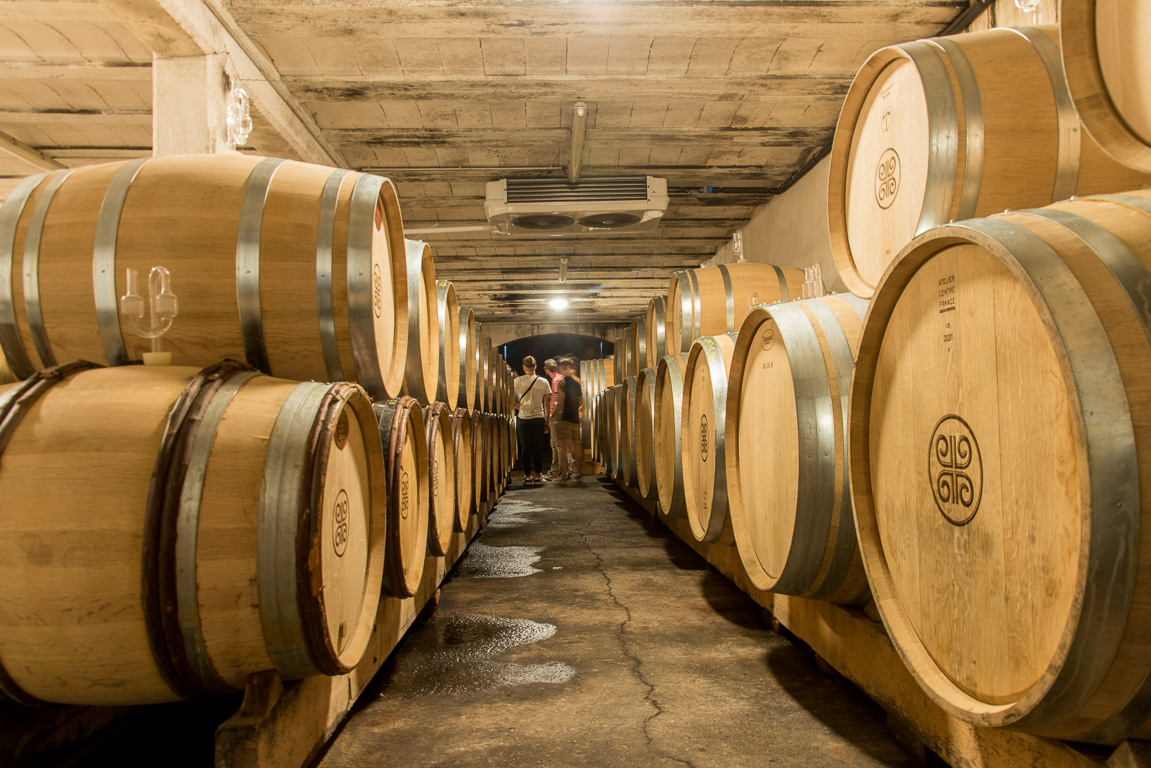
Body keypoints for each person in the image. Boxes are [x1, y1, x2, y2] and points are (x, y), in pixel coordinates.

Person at [513, 355, 550, 485]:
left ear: (524, 368)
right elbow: (547, 402)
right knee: (538, 448)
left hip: (523, 418)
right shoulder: (544, 381)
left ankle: (527, 475)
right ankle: (538, 474)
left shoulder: (517, 381)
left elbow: (509, 397)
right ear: (535, 366)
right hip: (539, 417)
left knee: (525, 448)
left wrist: (515, 406)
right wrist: (548, 419)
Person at [552, 357, 583, 482]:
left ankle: (564, 474)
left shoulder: (562, 383)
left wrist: (556, 416)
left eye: (561, 368)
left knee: (564, 447)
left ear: (565, 368)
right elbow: (581, 400)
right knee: (576, 445)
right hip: (574, 418)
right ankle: (579, 472)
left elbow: (560, 401)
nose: (561, 370)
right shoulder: (576, 383)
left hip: (564, 418)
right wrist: (574, 409)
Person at [543, 358, 564, 479]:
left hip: (556, 414)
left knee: (556, 443)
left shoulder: (556, 380)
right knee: (555, 443)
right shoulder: (559, 378)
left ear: (546, 369)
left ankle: (558, 469)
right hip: (558, 414)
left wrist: (551, 414)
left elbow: (557, 400)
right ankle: (555, 468)